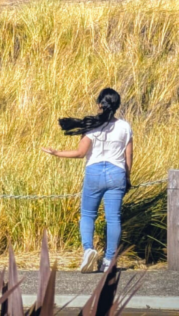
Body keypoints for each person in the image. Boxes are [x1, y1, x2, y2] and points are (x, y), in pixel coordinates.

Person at [42, 87, 133, 273]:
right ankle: (109, 260)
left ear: (100, 104)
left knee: (88, 215)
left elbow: (80, 153)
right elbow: (128, 156)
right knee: (113, 218)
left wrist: (56, 152)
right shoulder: (125, 127)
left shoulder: (92, 126)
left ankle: (88, 250)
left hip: (95, 172)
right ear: (117, 105)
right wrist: (127, 177)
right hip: (117, 173)